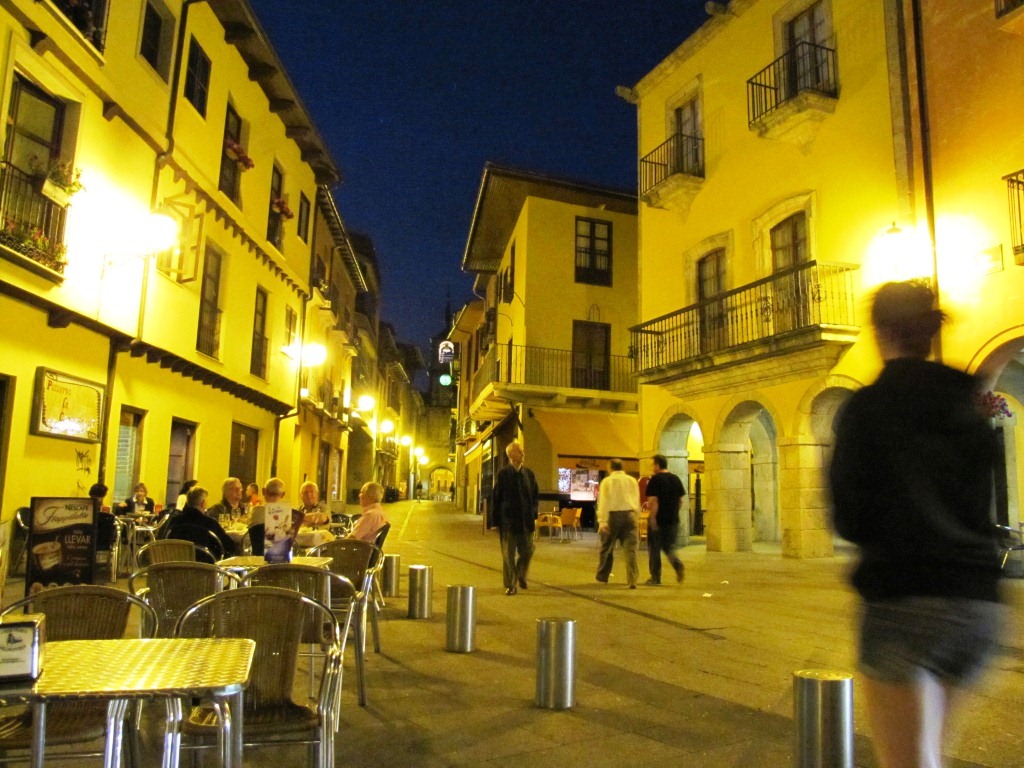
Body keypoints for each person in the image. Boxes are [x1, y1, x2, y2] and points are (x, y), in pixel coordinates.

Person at [828, 280, 1003, 768]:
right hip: (977, 604)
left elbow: (850, 516)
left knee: (908, 761)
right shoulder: (967, 397)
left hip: (904, 598)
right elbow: (988, 490)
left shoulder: (868, 407)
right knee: (929, 755)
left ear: (880, 331)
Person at [490, 442, 538, 596]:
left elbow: (535, 496)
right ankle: (511, 584)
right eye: (520, 452)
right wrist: (494, 522)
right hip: (508, 523)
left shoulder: (529, 474)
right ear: (511, 455)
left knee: (528, 551)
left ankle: (521, 575)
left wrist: (534, 513)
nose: (523, 454)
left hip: (526, 522)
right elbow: (496, 498)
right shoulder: (503, 474)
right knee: (508, 556)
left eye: (522, 451)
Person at [595, 458, 641, 589]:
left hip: (613, 516)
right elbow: (636, 499)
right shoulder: (632, 480)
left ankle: (603, 576)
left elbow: (603, 501)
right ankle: (632, 579)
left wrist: (602, 521)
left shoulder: (607, 481)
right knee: (630, 550)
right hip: (630, 515)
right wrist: (636, 516)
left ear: (610, 467)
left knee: (607, 547)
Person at [644, 454, 686, 585]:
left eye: (652, 464)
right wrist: (673, 512)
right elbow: (680, 501)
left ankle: (655, 577)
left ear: (657, 465)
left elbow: (653, 501)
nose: (652, 467)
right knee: (668, 547)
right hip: (673, 520)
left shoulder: (655, 480)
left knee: (654, 549)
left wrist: (653, 519)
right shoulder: (676, 479)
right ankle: (677, 564)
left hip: (659, 520)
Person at [165, 485, 238, 561]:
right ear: (203, 503)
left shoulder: (174, 521)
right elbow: (230, 546)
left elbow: (164, 541)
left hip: (177, 565)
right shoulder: (210, 523)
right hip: (205, 567)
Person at [247, 477, 288, 556]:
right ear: (283, 495)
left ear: (263, 491)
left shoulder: (255, 511)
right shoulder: (286, 514)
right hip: (280, 558)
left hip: (257, 556)